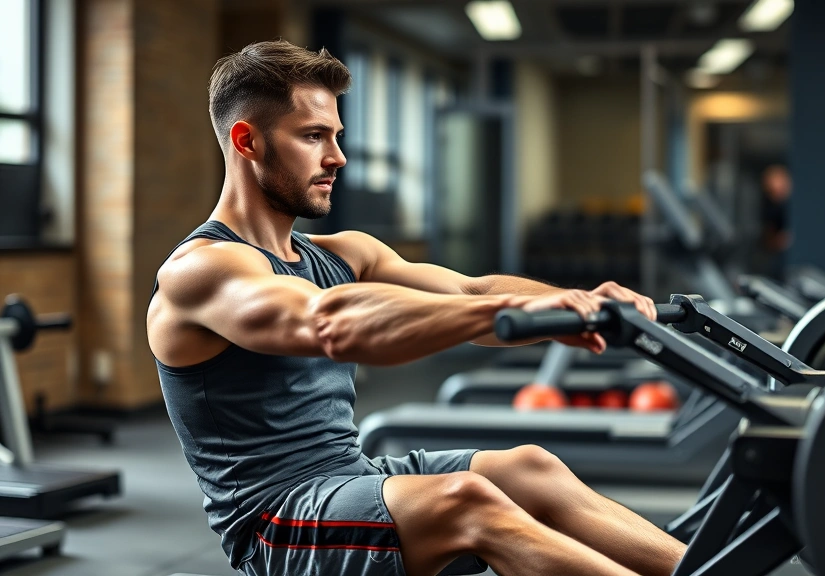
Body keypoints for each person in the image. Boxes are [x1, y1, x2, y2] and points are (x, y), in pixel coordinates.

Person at [146, 40, 687, 576]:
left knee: (529, 468)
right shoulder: (202, 271)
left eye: (336, 135)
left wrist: (578, 305)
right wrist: (504, 314)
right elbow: (329, 321)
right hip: (276, 522)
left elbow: (469, 292)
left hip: (349, 474)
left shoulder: (343, 252)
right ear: (247, 141)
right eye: (313, 136)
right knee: (467, 502)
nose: (337, 157)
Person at [758, 164, 792, 280]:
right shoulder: (767, 208)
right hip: (770, 262)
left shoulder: (789, 206)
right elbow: (768, 238)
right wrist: (778, 241)